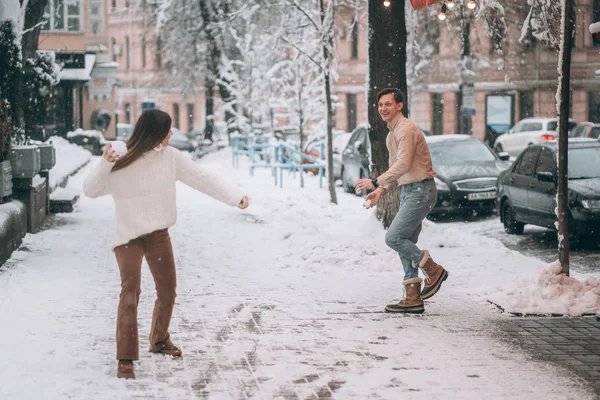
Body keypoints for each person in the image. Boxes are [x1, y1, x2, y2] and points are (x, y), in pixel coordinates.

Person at [83, 109, 249, 379]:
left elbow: (202, 178)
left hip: (158, 234)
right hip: (128, 237)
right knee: (130, 291)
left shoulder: (171, 158)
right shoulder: (121, 158)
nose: (172, 134)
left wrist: (235, 196)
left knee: (168, 290)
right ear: (156, 134)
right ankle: (125, 357)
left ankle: (159, 339)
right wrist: (104, 164)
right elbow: (90, 190)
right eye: (168, 130)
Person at [354, 88, 448, 314]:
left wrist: (375, 181)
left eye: (388, 104)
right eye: (380, 105)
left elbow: (404, 164)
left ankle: (433, 270)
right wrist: (381, 191)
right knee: (404, 242)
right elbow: (397, 169)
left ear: (399, 106)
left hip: (420, 191)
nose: (383, 109)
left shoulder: (405, 129)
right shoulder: (391, 135)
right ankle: (413, 297)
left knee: (394, 237)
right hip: (409, 190)